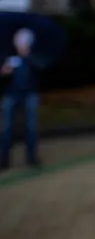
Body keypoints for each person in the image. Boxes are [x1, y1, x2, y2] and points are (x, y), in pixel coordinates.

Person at [0, 28, 43, 169]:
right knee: (6, 128)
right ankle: (4, 160)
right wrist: (5, 72)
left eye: (25, 42)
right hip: (11, 95)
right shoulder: (9, 57)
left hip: (29, 94)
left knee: (31, 127)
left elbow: (40, 71)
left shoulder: (33, 58)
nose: (22, 45)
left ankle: (31, 157)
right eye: (20, 42)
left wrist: (28, 58)